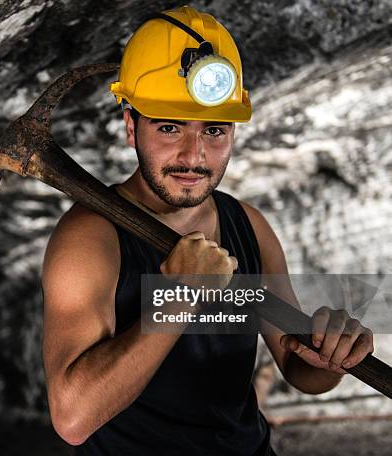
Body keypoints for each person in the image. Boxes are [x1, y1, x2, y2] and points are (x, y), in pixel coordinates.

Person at [41, 6, 374, 455]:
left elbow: (298, 366)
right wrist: (178, 295)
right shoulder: (90, 238)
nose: (194, 155)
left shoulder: (248, 227)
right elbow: (73, 418)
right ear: (130, 126)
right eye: (170, 127)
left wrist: (334, 357)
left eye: (215, 130)